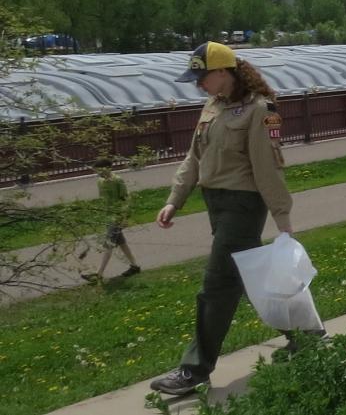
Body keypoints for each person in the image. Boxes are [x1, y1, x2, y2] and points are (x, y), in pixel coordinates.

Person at [150, 41, 296, 397]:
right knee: (251, 280)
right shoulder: (213, 107)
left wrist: (283, 219)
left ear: (223, 73)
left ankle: (194, 369)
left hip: (243, 206)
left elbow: (268, 167)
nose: (199, 84)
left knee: (215, 286)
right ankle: (305, 333)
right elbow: (194, 158)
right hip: (216, 203)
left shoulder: (260, 110)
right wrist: (175, 199)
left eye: (202, 77)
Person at [81, 160, 141, 282]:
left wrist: (124, 217)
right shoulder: (100, 181)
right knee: (121, 242)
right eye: (96, 171)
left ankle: (98, 274)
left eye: (99, 170)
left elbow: (125, 199)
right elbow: (103, 200)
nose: (97, 173)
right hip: (108, 216)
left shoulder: (117, 180)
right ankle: (134, 266)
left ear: (108, 168)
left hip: (117, 217)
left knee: (108, 244)